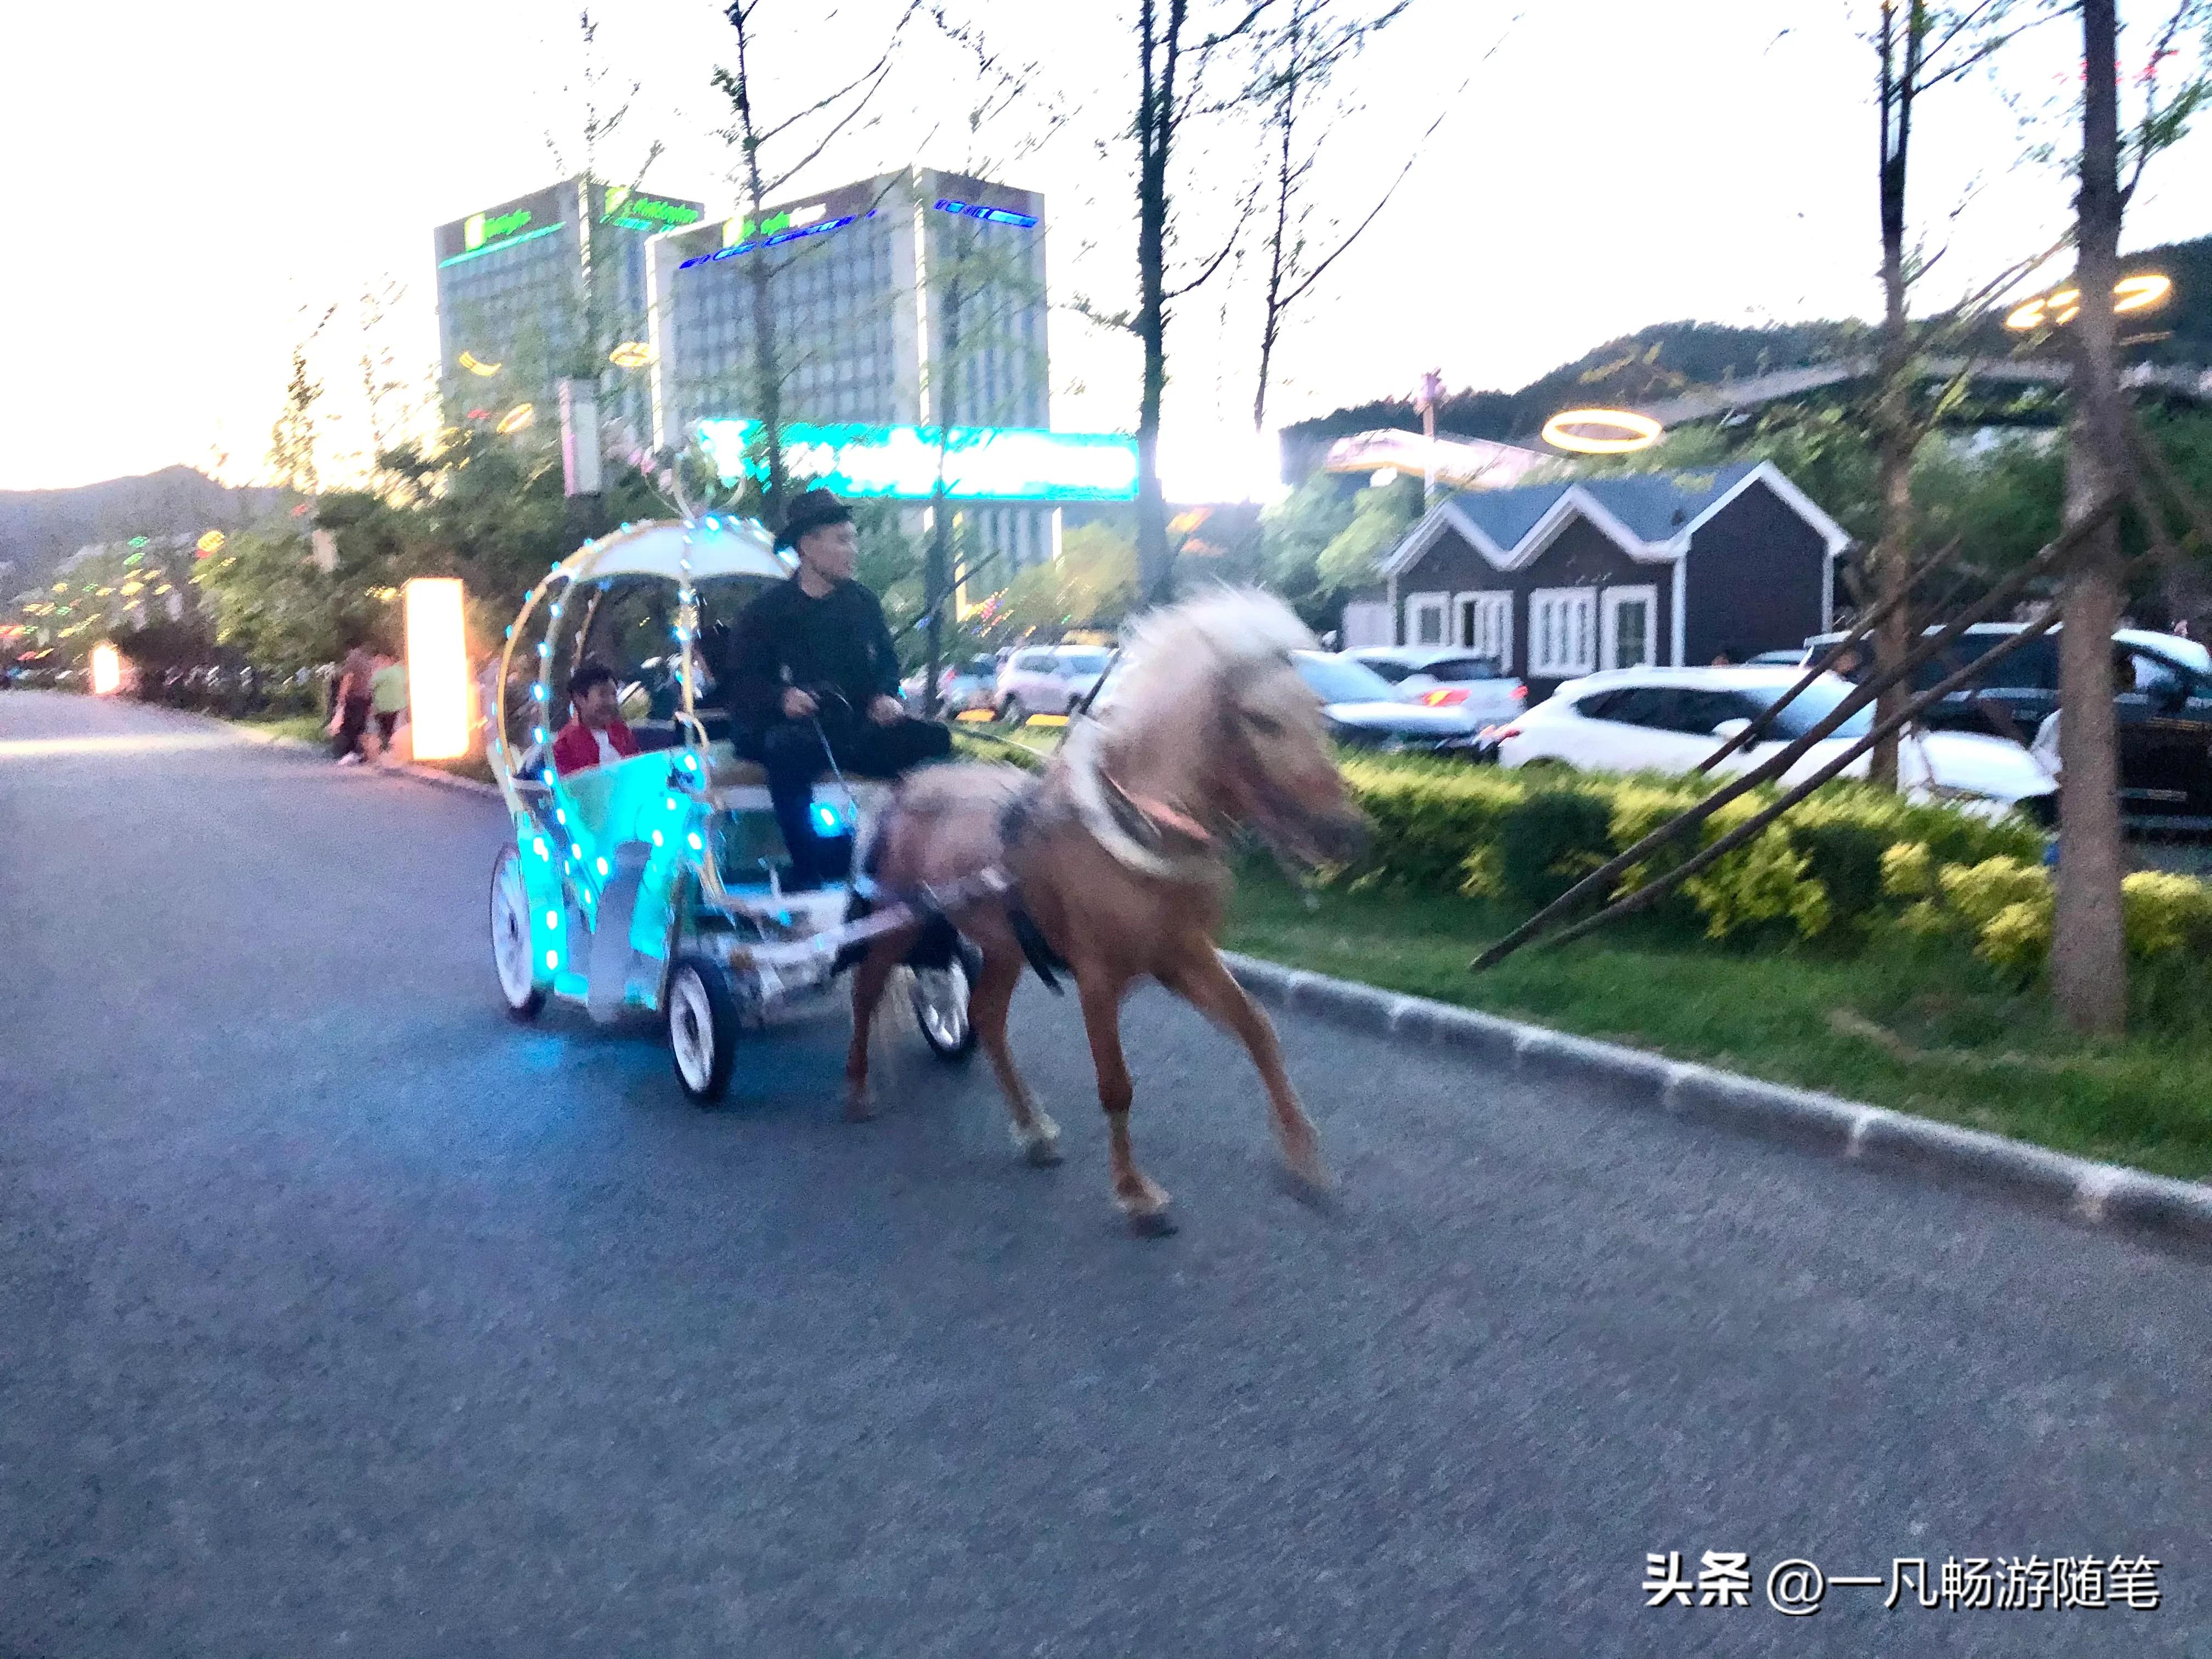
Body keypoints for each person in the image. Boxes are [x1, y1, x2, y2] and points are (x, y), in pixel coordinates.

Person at [723, 489, 951, 887]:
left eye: (853, 539)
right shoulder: (766, 613)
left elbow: (885, 665)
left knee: (934, 740)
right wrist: (782, 698)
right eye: (843, 541)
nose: (854, 551)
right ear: (808, 546)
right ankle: (806, 867)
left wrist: (886, 696)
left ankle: (927, 857)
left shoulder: (862, 603)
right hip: (795, 730)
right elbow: (741, 682)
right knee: (785, 749)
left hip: (854, 727)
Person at [552, 662, 641, 775]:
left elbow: (639, 769)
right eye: (602, 694)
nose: (611, 702)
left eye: (614, 694)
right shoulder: (564, 746)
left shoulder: (620, 730)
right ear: (580, 699)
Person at [330, 638, 376, 764]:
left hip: (354, 697)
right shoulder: (367, 661)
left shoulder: (353, 659)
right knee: (361, 725)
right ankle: (361, 753)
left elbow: (348, 679)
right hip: (365, 697)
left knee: (349, 726)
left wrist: (341, 698)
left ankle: (350, 752)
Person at [369, 649, 408, 758]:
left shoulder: (381, 674)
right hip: (400, 706)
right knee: (397, 730)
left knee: (384, 731)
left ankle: (387, 751)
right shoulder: (401, 671)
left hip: (383, 708)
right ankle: (398, 752)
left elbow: (370, 686)